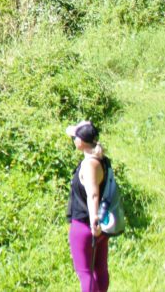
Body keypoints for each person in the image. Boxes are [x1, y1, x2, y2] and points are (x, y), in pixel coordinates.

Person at [66, 120, 109, 292]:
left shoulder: (90, 164)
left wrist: (94, 221)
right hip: (100, 227)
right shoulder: (101, 159)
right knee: (100, 269)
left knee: (85, 273)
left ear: (80, 142)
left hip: (86, 224)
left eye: (74, 138)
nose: (73, 140)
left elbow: (93, 194)